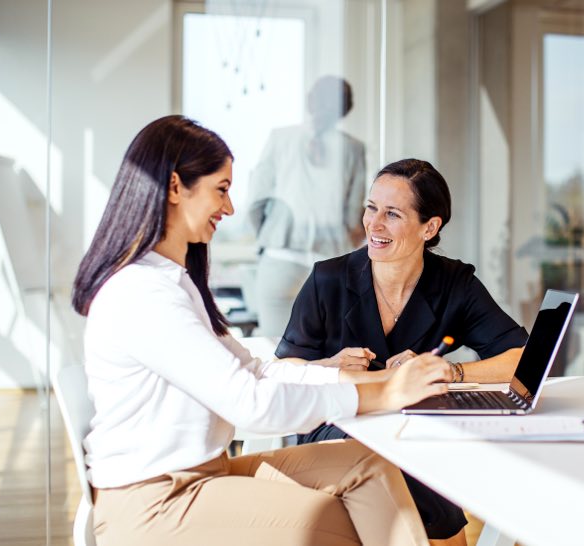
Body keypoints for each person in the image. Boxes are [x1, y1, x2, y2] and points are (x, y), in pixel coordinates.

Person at [71, 116, 458, 546]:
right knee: (341, 522)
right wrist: (381, 395)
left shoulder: (173, 283)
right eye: (221, 189)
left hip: (205, 474)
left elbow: (258, 371)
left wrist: (374, 380)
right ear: (177, 187)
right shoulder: (143, 292)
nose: (231, 208)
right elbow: (250, 403)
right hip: (158, 502)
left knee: (368, 464)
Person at [276, 158, 529, 544]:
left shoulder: (453, 284)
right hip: (338, 425)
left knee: (414, 459)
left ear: (430, 227)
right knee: (402, 465)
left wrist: (449, 372)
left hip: (413, 429)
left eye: (392, 214)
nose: (373, 225)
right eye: (371, 208)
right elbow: (285, 369)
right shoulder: (327, 279)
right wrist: (329, 366)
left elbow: (522, 359)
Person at [247, 75, 366, 335]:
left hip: (281, 256)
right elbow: (354, 217)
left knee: (276, 350)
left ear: (310, 101)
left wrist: (270, 234)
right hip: (331, 261)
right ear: (345, 110)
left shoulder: (280, 139)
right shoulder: (353, 149)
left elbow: (256, 201)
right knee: (332, 353)